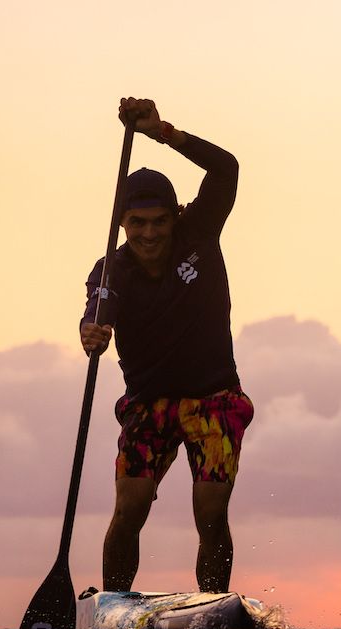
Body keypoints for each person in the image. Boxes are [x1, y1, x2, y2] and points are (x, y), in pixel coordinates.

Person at [80, 97, 253, 594]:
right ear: (123, 225)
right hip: (148, 405)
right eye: (138, 224)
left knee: (210, 510)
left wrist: (165, 134)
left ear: (174, 217)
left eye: (159, 221)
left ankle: (212, 604)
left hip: (214, 399)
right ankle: (112, 603)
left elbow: (226, 168)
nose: (150, 233)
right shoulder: (112, 270)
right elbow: (96, 311)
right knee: (129, 507)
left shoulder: (199, 233)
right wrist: (91, 332)